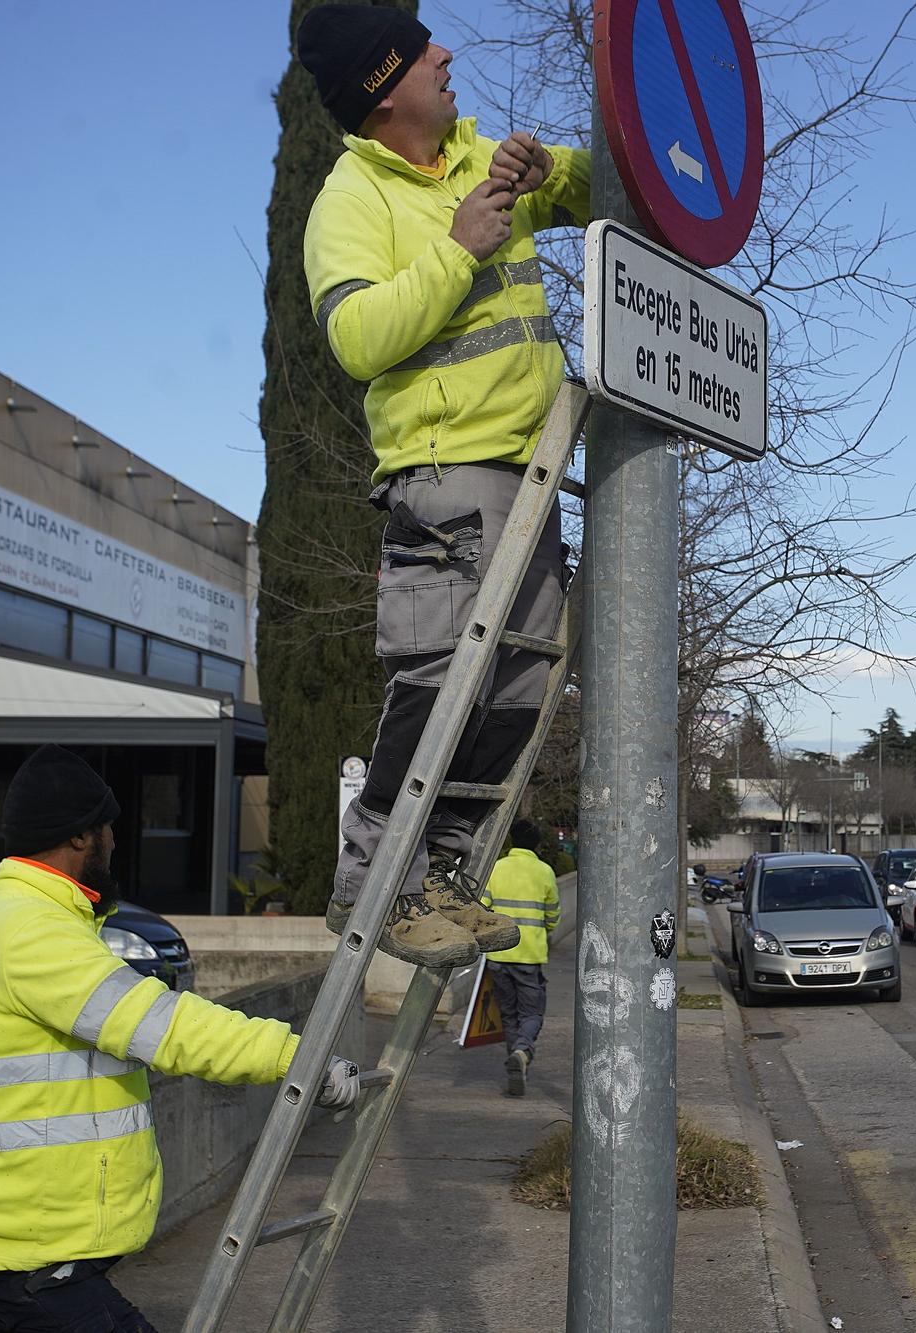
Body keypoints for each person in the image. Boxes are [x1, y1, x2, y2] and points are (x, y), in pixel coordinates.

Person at [296, 4, 592, 969]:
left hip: (531, 471)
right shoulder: (350, 199)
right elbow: (356, 338)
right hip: (446, 479)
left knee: (519, 682)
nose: (446, 52)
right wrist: (459, 246)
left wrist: (553, 172)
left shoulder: (477, 157)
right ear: (386, 86)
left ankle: (448, 879)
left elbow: (604, 190)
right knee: (437, 680)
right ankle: (370, 880)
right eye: (424, 48)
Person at [0, 745, 362, 1331]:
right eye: (110, 828)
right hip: (32, 1262)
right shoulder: (31, 933)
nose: (116, 841)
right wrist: (299, 1058)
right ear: (84, 837)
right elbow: (167, 1028)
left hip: (27, 1250)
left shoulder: (25, 921)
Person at [482, 819, 561, 1096]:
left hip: (499, 955)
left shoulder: (497, 869)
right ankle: (522, 1051)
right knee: (532, 1012)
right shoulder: (544, 872)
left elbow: (483, 908)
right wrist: (545, 929)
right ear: (537, 844)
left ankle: (517, 1067)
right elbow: (553, 915)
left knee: (509, 1014)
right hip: (529, 956)